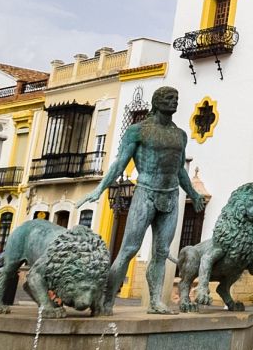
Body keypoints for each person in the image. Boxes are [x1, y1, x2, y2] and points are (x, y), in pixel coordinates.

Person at [77, 85, 208, 314]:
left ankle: (156, 301)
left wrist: (194, 194)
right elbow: (119, 164)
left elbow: (180, 170)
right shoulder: (138, 131)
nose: (174, 101)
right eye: (168, 98)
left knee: (160, 252)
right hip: (145, 192)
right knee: (129, 249)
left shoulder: (180, 135)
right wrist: (99, 189)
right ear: (157, 103)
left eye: (176, 98)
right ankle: (107, 299)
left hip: (170, 196)